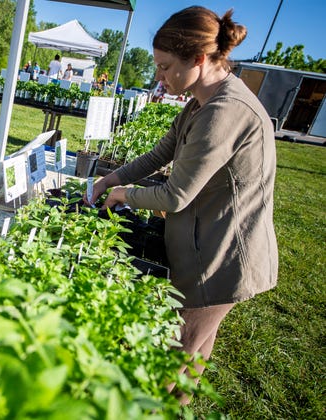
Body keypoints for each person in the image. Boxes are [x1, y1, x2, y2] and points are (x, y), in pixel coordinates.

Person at [84, 6, 278, 404]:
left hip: (222, 261)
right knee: (195, 352)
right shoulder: (199, 102)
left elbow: (176, 195)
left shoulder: (225, 112)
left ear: (200, 59)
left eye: (165, 66)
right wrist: (111, 178)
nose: (159, 76)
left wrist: (125, 195)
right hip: (205, 247)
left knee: (171, 355)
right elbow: (160, 154)